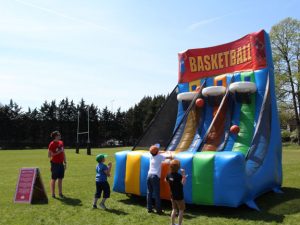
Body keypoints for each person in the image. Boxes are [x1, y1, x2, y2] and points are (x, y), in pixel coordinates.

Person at [147, 144, 172, 214]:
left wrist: (158, 152)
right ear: (157, 151)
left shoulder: (151, 156)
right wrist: (169, 152)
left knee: (149, 193)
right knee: (157, 194)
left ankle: (149, 208)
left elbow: (155, 153)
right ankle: (158, 210)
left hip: (149, 175)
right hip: (155, 177)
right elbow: (169, 157)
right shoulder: (160, 157)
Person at [166, 159, 186, 225]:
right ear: (178, 168)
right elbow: (183, 183)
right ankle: (179, 224)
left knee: (174, 209)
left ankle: (172, 224)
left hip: (172, 195)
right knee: (181, 210)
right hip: (179, 196)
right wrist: (183, 175)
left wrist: (171, 180)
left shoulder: (169, 175)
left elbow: (166, 180)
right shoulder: (179, 176)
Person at [48, 131, 67, 198]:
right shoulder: (51, 144)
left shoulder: (61, 142)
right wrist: (58, 152)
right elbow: (49, 155)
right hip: (54, 164)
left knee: (60, 179)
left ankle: (60, 193)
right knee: (54, 179)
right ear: (55, 136)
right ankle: (53, 194)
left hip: (61, 163)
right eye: (59, 135)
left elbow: (63, 152)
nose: (60, 135)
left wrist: (65, 162)